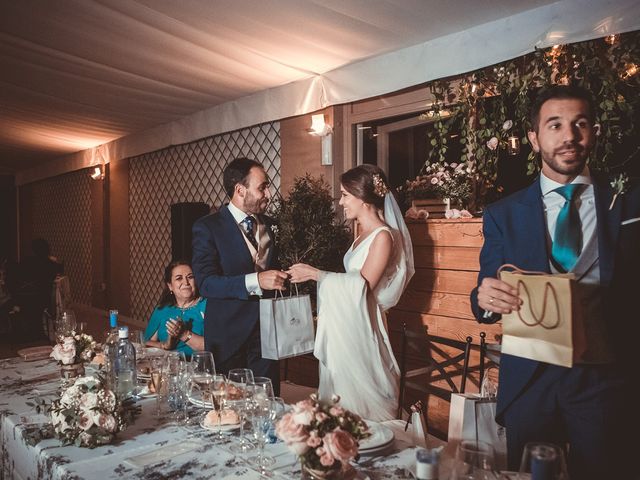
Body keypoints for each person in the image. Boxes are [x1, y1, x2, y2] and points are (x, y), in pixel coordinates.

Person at [470, 85, 639, 479]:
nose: (569, 136)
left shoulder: (626, 202)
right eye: (555, 125)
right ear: (534, 138)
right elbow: (484, 293)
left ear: (594, 132)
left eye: (580, 124)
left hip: (603, 375)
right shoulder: (503, 213)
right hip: (530, 376)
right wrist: (485, 296)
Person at [287, 165, 414, 421]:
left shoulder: (383, 237)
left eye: (345, 194)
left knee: (363, 400)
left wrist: (316, 275)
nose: (341, 201)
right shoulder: (360, 234)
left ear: (363, 197)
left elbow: (363, 286)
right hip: (347, 322)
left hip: (363, 325)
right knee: (339, 396)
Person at [192, 157, 288, 393]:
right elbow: (205, 283)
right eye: (262, 187)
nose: (268, 193)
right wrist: (256, 281)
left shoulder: (272, 225)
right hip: (228, 332)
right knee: (228, 401)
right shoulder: (207, 227)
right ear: (240, 190)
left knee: (267, 397)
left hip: (266, 332)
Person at [143, 260, 206, 356]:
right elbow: (146, 344)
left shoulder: (206, 306)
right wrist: (165, 345)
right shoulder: (162, 309)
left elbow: (216, 346)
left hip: (197, 367)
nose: (186, 282)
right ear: (170, 286)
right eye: (179, 278)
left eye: (190, 277)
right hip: (167, 367)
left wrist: (184, 334)